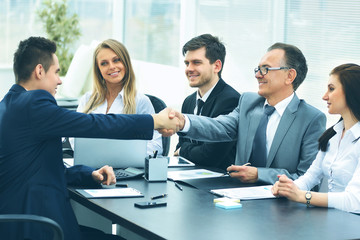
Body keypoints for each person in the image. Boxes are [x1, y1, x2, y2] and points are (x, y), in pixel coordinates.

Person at [0, 36, 178, 240]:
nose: (60, 80)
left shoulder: (7, 105)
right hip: (39, 229)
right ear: (40, 71)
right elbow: (96, 124)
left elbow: (41, 168)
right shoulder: (35, 104)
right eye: (57, 72)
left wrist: (89, 174)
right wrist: (155, 121)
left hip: (18, 225)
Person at [166, 42, 326, 184]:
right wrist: (183, 122)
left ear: (289, 76)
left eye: (265, 69)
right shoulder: (248, 102)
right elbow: (219, 126)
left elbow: (306, 177)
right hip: (237, 197)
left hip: (283, 208)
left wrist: (260, 175)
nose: (257, 75)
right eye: (258, 69)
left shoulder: (311, 119)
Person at [272, 64, 360, 213]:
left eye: (331, 89)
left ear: (351, 92)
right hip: (332, 219)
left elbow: (354, 201)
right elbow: (311, 177)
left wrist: (302, 196)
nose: (324, 96)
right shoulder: (333, 135)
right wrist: (288, 188)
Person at [74, 39, 163, 156]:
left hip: (126, 168)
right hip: (92, 167)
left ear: (125, 63)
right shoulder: (87, 99)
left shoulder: (140, 101)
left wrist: (119, 155)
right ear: (98, 69)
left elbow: (155, 146)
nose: (112, 67)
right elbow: (74, 137)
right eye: (104, 63)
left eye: (116, 60)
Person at [174, 34, 240, 170]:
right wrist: (184, 149)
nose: (189, 69)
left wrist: (183, 150)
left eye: (196, 62)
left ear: (216, 66)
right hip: (188, 176)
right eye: (187, 63)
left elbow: (210, 156)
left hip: (217, 181)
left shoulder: (231, 100)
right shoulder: (189, 101)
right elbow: (180, 145)